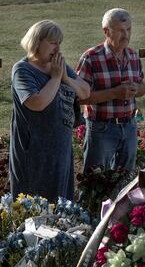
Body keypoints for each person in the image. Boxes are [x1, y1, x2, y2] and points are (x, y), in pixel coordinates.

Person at [10, 20, 91, 202]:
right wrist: (56, 78)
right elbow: (37, 102)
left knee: (61, 204)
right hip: (34, 154)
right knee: (35, 208)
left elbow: (85, 92)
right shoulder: (22, 70)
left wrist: (67, 79)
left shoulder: (57, 67)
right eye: (53, 43)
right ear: (37, 42)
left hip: (60, 150)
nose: (57, 48)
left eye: (59, 43)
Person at [76, 8, 145, 172]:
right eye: (121, 31)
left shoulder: (133, 56)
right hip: (102, 129)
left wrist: (136, 89)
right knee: (95, 181)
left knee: (125, 181)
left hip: (129, 126)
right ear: (106, 32)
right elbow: (79, 98)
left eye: (128, 30)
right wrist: (114, 93)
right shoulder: (91, 58)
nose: (126, 35)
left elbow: (143, 88)